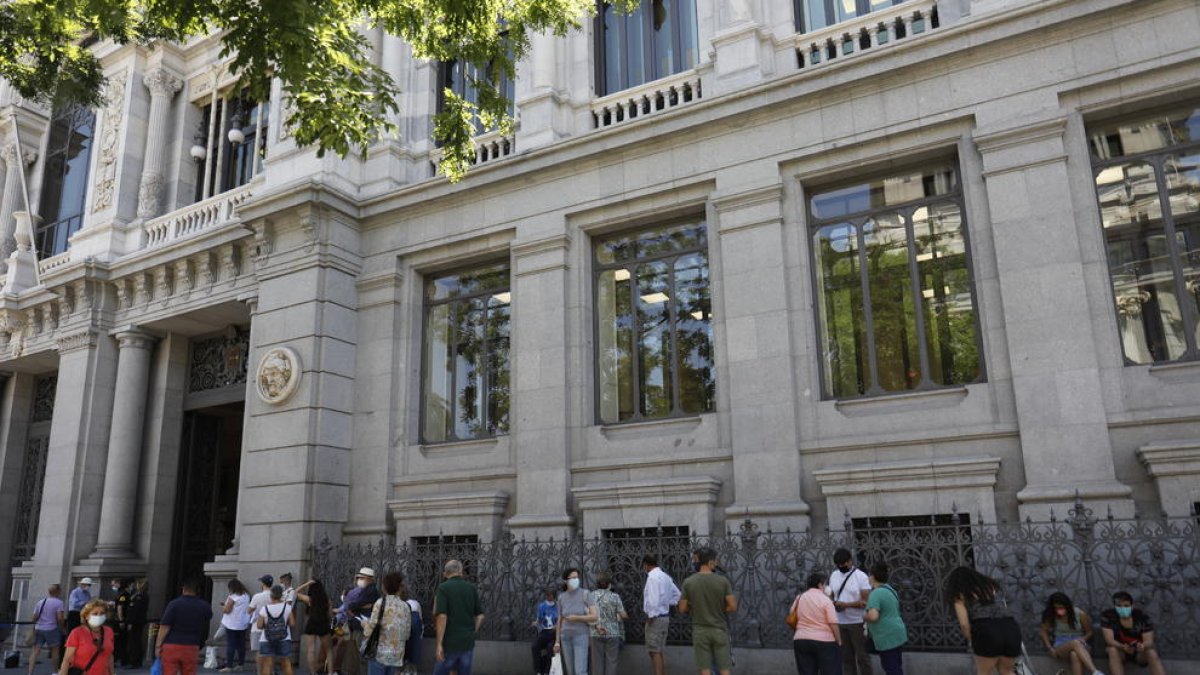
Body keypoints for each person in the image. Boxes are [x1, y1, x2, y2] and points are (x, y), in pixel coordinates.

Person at [945, 566, 1022, 675]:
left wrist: (973, 639)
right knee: (1006, 671)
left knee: (984, 672)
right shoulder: (991, 587)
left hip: (986, 629)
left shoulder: (959, 594)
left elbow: (964, 625)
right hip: (1010, 627)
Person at [678, 548, 737, 675]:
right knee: (724, 668)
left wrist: (696, 608)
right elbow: (732, 607)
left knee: (704, 669)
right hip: (719, 629)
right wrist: (719, 608)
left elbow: (682, 609)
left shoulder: (688, 582)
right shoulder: (722, 581)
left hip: (700, 630)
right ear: (711, 562)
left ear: (699, 562)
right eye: (716, 561)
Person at [432, 559, 483, 675]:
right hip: (467, 642)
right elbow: (480, 616)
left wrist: (439, 644)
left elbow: (442, 616)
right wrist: (474, 631)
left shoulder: (443, 588)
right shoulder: (471, 588)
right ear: (461, 572)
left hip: (449, 642)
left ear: (445, 573)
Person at [154, 579, 213, 675]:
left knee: (169, 672)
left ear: (183, 589)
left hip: (172, 645)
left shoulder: (174, 604)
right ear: (197, 591)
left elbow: (165, 626)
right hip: (192, 645)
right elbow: (208, 617)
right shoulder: (204, 605)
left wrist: (158, 646)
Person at [829, 549, 872, 675]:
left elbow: (866, 602)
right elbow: (831, 595)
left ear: (850, 561)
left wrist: (846, 605)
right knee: (846, 658)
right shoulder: (834, 575)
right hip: (840, 622)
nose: (841, 566)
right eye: (838, 564)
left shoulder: (861, 577)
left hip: (857, 622)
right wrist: (834, 604)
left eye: (843, 564)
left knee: (862, 657)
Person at [361, 572, 413, 675]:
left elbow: (370, 630)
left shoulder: (379, 603)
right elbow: (407, 634)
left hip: (379, 654)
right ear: (399, 588)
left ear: (384, 588)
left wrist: (364, 624)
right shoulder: (405, 607)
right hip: (396, 656)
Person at [1100, 592, 1164, 675]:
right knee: (1112, 650)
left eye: (1126, 606)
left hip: (1139, 651)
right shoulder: (1108, 616)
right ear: (1115, 606)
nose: (1122, 608)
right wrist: (1123, 647)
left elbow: (1149, 641)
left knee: (1151, 652)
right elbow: (1109, 640)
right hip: (1119, 649)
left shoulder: (1142, 617)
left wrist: (1141, 646)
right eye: (1119, 606)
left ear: (1132, 606)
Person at [1040, 592, 1104, 675]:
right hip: (1061, 644)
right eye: (1057, 608)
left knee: (1074, 654)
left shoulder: (1079, 614)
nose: (1059, 610)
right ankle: (1095, 672)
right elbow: (1043, 631)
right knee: (1074, 643)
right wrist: (1050, 648)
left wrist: (1083, 638)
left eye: (1062, 607)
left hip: (1080, 642)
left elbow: (1089, 632)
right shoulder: (1051, 615)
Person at [789, 571, 840, 675]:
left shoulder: (800, 597)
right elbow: (833, 623)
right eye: (825, 584)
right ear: (820, 585)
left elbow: (792, 613)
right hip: (824, 641)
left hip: (801, 639)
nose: (826, 586)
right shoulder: (826, 600)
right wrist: (839, 640)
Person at [335, 568, 381, 675]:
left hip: (363, 627)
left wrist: (352, 605)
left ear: (369, 579)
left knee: (362, 656)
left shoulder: (371, 590)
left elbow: (353, 604)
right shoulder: (365, 590)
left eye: (361, 578)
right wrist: (356, 606)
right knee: (357, 656)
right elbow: (355, 604)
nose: (359, 580)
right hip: (358, 625)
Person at [864, 562, 907, 675]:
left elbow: (873, 616)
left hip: (886, 636)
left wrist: (864, 615)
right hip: (897, 633)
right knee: (896, 666)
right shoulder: (890, 589)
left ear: (872, 577)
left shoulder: (875, 593)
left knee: (891, 668)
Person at [553, 568, 597, 675]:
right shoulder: (561, 597)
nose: (576, 580)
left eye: (577, 577)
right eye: (573, 578)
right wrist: (557, 641)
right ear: (566, 580)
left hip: (580, 636)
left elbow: (594, 616)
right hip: (565, 637)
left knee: (580, 671)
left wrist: (577, 618)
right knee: (570, 671)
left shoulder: (585, 594)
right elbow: (559, 620)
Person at [642, 555, 680, 675]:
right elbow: (677, 594)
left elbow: (653, 600)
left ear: (646, 565)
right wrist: (666, 603)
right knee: (658, 650)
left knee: (654, 651)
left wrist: (651, 616)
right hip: (664, 616)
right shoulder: (665, 577)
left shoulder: (652, 578)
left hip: (656, 618)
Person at [58, 600, 113, 675]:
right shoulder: (77, 633)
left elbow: (110, 656)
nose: (99, 616)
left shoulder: (109, 631)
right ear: (86, 616)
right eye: (95, 613)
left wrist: (112, 673)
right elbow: (67, 659)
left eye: (102, 613)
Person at [588, 572, 627, 675]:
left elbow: (588, 614)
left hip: (596, 632)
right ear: (609, 584)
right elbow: (623, 615)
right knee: (612, 662)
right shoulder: (615, 596)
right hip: (612, 632)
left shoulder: (591, 596)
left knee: (597, 662)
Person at [295, 579, 334, 675]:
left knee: (311, 650)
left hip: (312, 623)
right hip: (323, 623)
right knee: (329, 650)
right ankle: (330, 672)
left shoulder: (309, 599)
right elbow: (330, 615)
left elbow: (294, 592)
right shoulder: (327, 600)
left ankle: (313, 673)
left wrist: (307, 583)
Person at [255, 586, 296, 675]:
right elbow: (292, 624)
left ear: (271, 595)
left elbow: (259, 626)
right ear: (281, 595)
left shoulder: (265, 608)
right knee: (286, 663)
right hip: (284, 638)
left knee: (267, 664)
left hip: (267, 638)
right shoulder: (287, 607)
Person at [27, 584, 66, 675]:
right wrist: (62, 628)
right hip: (52, 629)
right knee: (55, 651)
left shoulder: (40, 602)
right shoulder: (59, 603)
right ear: (58, 592)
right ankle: (54, 672)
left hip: (39, 628)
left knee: (35, 651)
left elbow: (34, 618)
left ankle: (30, 672)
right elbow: (60, 618)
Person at [220, 579, 252, 673]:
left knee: (231, 645)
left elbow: (227, 610)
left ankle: (229, 666)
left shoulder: (233, 597)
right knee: (241, 644)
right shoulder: (246, 596)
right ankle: (240, 664)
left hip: (232, 624)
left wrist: (223, 606)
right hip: (242, 624)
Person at [531, 588, 558, 675]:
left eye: (550, 595)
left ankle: (547, 671)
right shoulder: (542, 606)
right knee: (535, 646)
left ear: (553, 596)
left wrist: (557, 626)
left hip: (554, 633)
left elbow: (560, 620)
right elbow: (539, 620)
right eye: (547, 595)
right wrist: (536, 623)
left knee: (550, 648)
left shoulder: (558, 606)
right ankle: (538, 671)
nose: (548, 597)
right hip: (544, 631)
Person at [397, 580, 422, 675]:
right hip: (415, 625)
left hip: (405, 624)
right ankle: (412, 668)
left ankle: (402, 668)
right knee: (414, 645)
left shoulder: (397, 604)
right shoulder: (415, 603)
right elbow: (420, 620)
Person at [123, 581, 149, 670]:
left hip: (135, 622)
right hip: (137, 621)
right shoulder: (137, 595)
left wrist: (130, 622)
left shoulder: (140, 596)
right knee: (135, 641)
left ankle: (134, 661)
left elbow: (135, 610)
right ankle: (136, 660)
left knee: (134, 642)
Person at [249, 576, 275, 663]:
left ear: (263, 584)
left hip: (257, 626)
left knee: (259, 651)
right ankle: (271, 669)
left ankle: (260, 670)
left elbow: (249, 610)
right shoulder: (276, 596)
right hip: (272, 626)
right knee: (270, 652)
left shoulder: (257, 596)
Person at [107, 580, 128, 668]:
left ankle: (116, 659)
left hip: (118, 620)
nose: (113, 587)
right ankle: (117, 660)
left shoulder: (121, 594)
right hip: (119, 620)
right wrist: (121, 620)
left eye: (114, 584)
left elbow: (119, 607)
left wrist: (120, 620)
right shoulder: (122, 594)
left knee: (118, 641)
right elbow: (119, 607)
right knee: (119, 640)